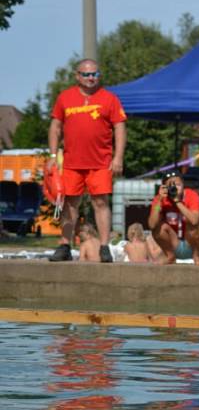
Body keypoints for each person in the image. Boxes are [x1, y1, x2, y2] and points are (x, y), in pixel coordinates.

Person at [48, 58, 127, 263]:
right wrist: (52, 156)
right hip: (72, 163)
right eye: (86, 74)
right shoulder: (65, 98)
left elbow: (120, 127)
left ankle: (104, 246)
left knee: (101, 203)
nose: (91, 78)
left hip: (101, 162)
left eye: (95, 74)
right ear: (77, 76)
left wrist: (118, 157)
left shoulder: (109, 98)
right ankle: (64, 246)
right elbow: (55, 127)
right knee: (69, 204)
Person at [147, 170, 199, 265]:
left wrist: (177, 201)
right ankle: (170, 256)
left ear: (183, 185)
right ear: (164, 188)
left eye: (178, 184)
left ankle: (196, 256)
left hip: (194, 243)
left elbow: (195, 221)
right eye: (170, 186)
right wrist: (159, 201)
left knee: (197, 223)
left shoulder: (191, 195)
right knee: (158, 228)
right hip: (174, 242)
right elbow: (152, 225)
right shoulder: (160, 198)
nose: (174, 188)